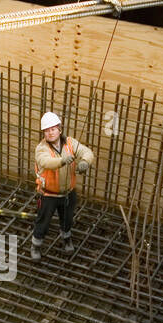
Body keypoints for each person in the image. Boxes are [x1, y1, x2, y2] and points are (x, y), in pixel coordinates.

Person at [31, 111, 94, 260]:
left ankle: (66, 239)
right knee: (43, 222)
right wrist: (62, 161)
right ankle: (36, 245)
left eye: (53, 129)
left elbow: (87, 151)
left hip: (67, 193)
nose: (50, 133)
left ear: (59, 129)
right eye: (47, 130)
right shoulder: (42, 148)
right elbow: (46, 162)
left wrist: (85, 162)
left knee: (67, 219)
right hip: (48, 195)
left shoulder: (70, 143)